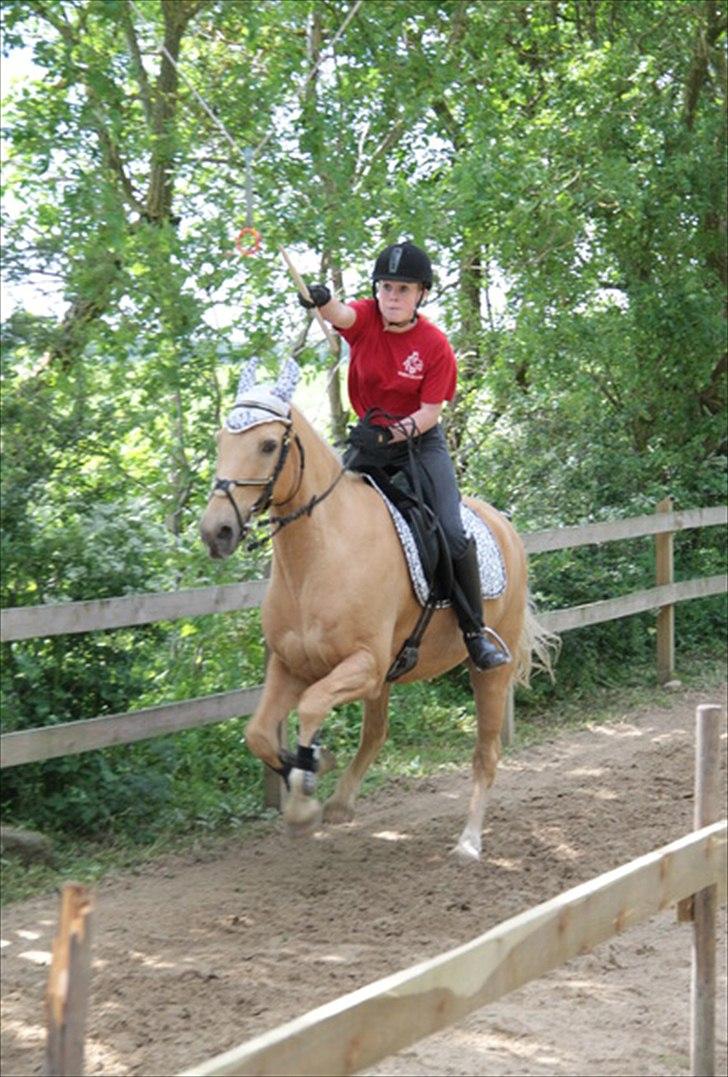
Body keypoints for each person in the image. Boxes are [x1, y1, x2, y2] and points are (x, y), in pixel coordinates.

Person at [298, 240, 509, 671]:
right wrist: (321, 299)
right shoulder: (366, 319)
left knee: (450, 531)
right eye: (386, 288)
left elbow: (430, 413)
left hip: (419, 443)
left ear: (421, 295)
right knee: (320, 509)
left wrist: (393, 435)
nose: (392, 297)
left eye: (403, 290)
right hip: (368, 439)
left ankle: (474, 633)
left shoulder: (434, 344)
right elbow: (341, 314)